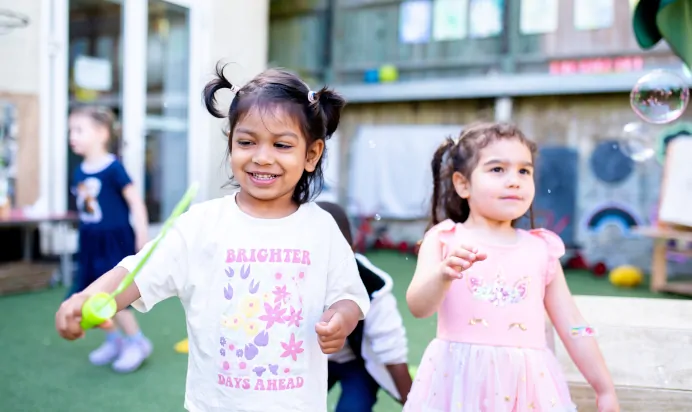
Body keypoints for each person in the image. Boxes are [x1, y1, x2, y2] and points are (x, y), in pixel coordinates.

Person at [55, 65, 370, 412]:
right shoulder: (202, 224)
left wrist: (341, 317)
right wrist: (90, 296)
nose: (261, 157)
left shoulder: (321, 229)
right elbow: (136, 272)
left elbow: (349, 295)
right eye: (246, 142)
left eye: (281, 145)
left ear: (311, 154)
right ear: (231, 142)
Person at [404, 123, 619, 412]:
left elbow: (573, 326)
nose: (514, 181)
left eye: (524, 171)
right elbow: (418, 307)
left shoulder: (542, 249)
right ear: (462, 183)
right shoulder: (444, 241)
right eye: (497, 169)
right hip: (457, 383)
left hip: (527, 388)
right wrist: (442, 275)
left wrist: (604, 389)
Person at [67, 105, 152, 373]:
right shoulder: (80, 170)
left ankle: (137, 342)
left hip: (113, 242)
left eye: (79, 130)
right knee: (94, 297)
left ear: (102, 133)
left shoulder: (113, 168)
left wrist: (142, 235)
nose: (72, 136)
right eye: (71, 130)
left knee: (113, 297)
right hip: (91, 242)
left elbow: (136, 203)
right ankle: (115, 340)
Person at [316, 201, 412, 411]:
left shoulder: (373, 288)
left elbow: (391, 350)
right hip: (309, 361)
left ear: (350, 251)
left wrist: (414, 405)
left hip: (357, 363)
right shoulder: (287, 282)